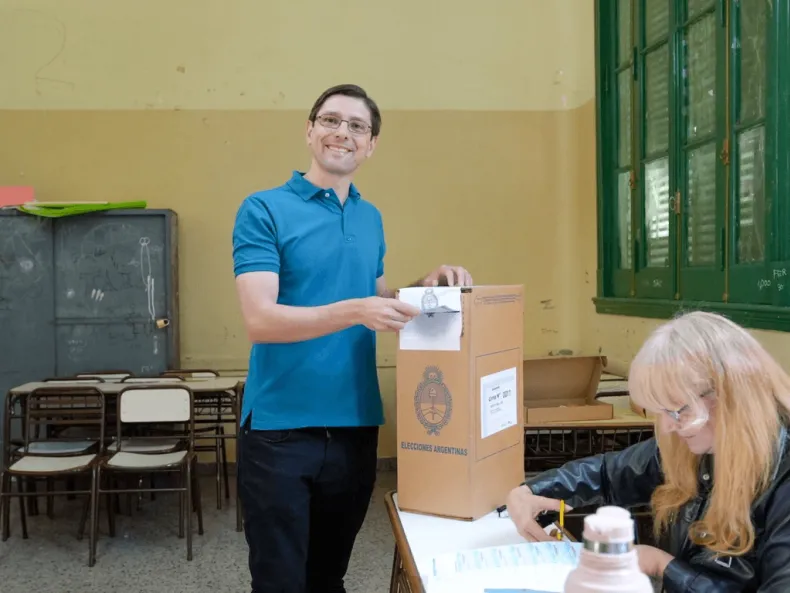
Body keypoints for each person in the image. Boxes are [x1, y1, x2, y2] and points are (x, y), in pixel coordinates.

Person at [232, 83, 473, 593]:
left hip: (355, 426)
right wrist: (356, 310)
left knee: (328, 577)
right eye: (331, 120)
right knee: (279, 582)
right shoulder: (263, 209)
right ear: (309, 130)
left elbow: (377, 297)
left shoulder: (370, 217)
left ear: (371, 144)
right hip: (279, 429)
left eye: (357, 126)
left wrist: (424, 287)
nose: (342, 132)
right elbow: (260, 320)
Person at [505, 311, 790, 592]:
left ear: (730, 396)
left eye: (678, 410)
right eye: (659, 412)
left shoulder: (782, 478)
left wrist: (662, 566)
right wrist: (531, 491)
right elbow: (609, 474)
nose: (667, 426)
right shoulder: (695, 445)